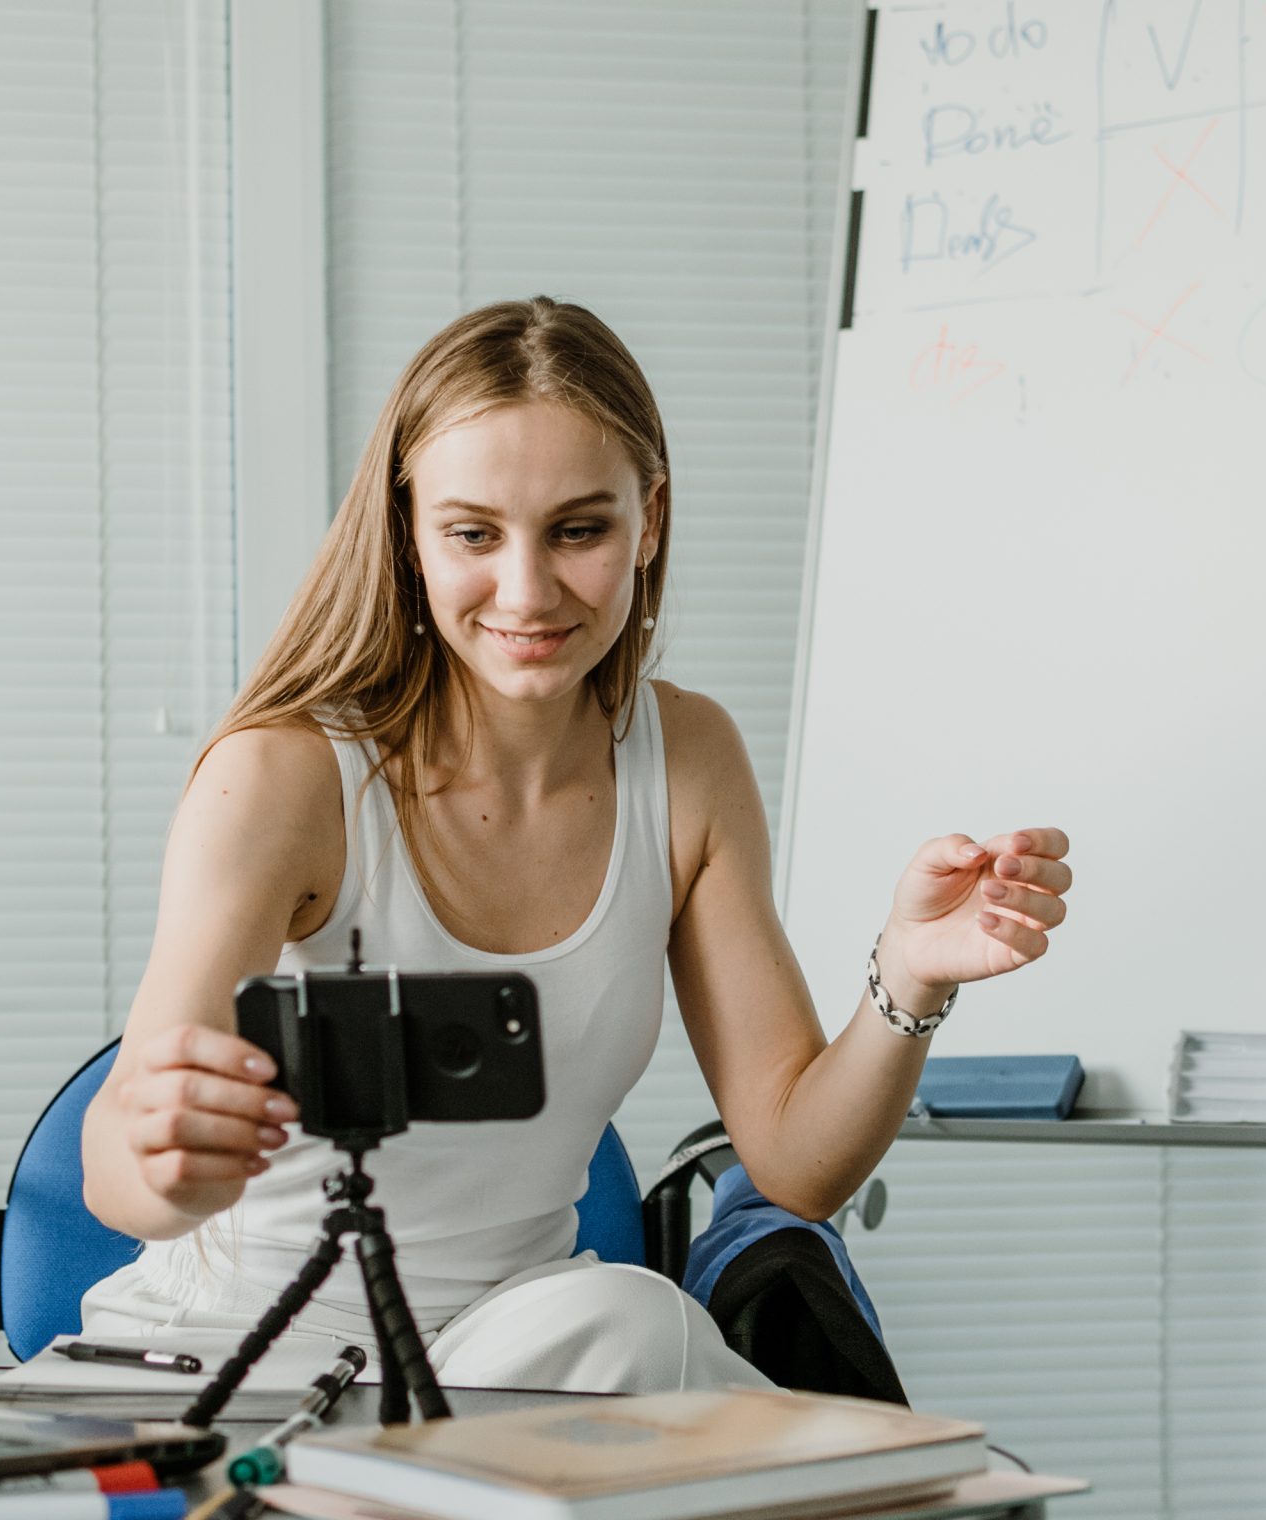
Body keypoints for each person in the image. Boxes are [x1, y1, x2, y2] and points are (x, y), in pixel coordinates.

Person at [78, 296, 1072, 1393]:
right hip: (241, 1357)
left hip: (520, 1350)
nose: (527, 590)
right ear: (408, 534)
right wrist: (168, 1160)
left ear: (650, 519)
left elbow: (795, 1164)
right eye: (472, 534)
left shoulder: (687, 759)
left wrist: (909, 975)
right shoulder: (283, 777)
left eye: (578, 530)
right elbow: (115, 1167)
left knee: (640, 1322)